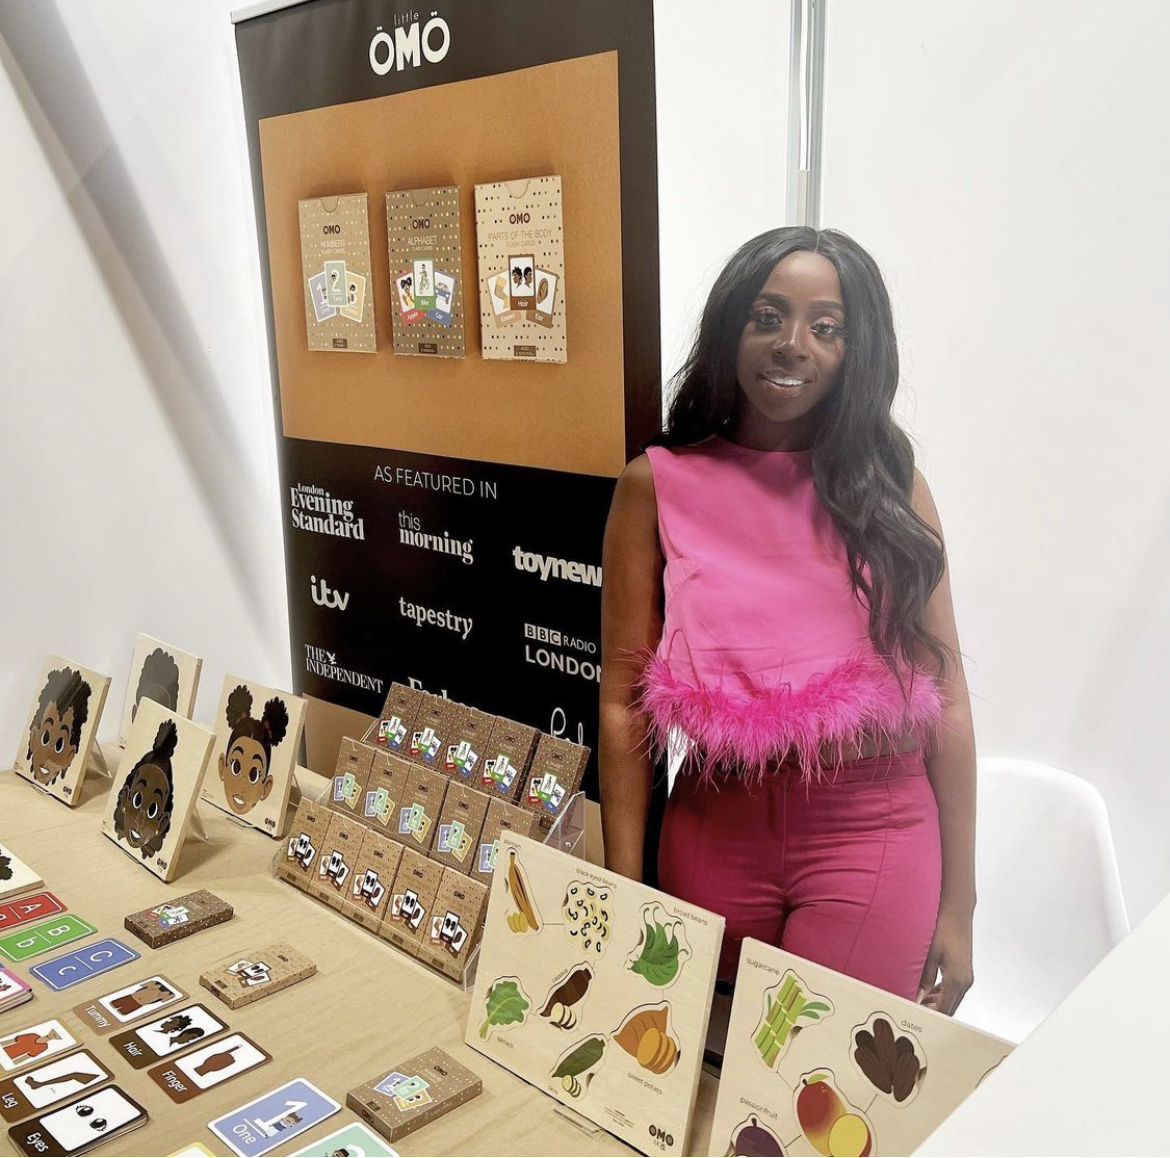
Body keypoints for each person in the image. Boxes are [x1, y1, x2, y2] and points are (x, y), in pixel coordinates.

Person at [599, 227, 975, 1013]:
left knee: (817, 1101)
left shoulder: (891, 487)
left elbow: (952, 699)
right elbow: (621, 701)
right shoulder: (655, 486)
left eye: (825, 326)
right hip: (712, 824)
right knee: (680, 1082)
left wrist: (962, 907)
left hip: (869, 826)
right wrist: (622, 883)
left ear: (856, 348)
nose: (791, 344)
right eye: (766, 316)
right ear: (730, 326)